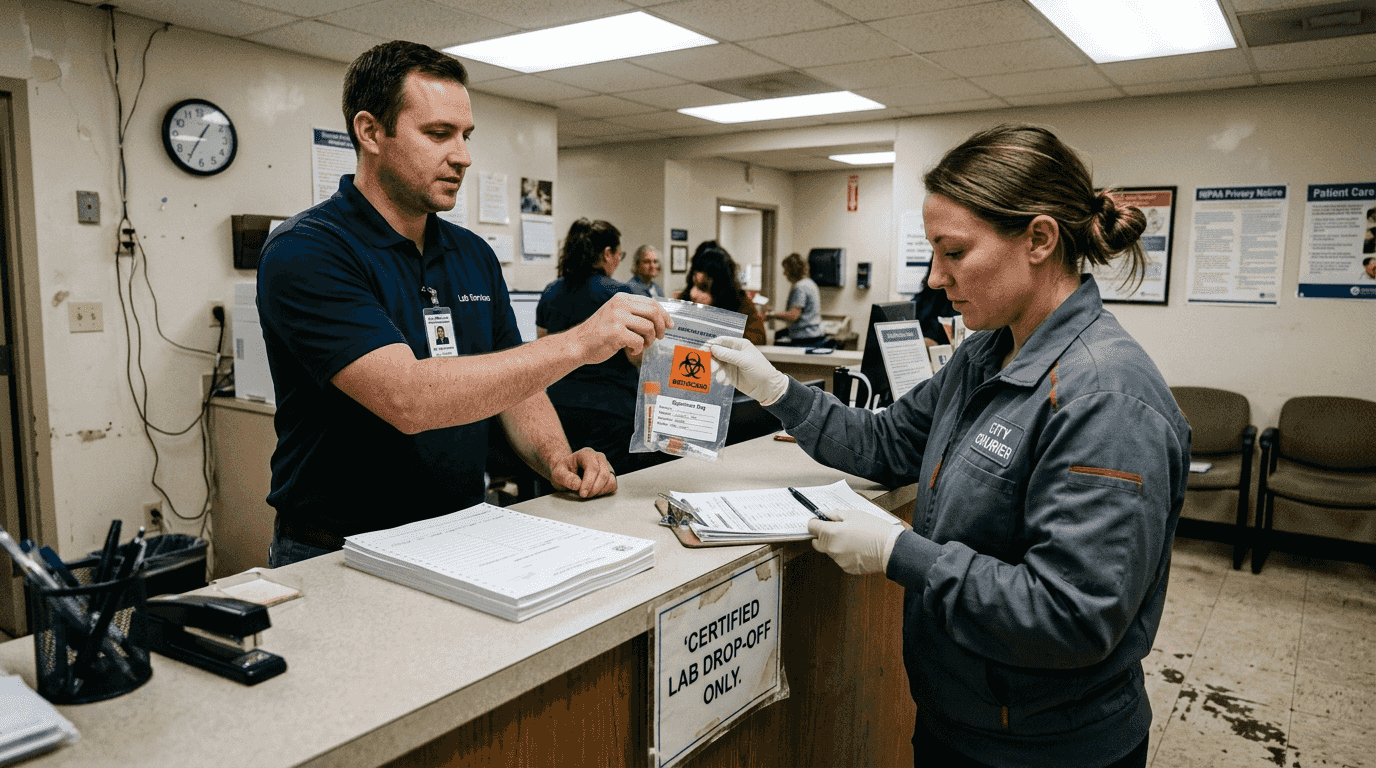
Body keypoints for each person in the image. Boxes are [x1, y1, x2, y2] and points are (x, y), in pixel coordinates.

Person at [709, 124, 1190, 768]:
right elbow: (885, 443)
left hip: (1047, 748)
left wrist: (900, 552)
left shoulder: (1105, 398)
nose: (935, 279)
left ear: (1040, 240)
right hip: (959, 717)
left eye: (954, 252)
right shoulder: (985, 352)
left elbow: (1072, 615)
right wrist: (776, 389)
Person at [256, 41, 670, 567]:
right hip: (336, 547)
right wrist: (579, 344)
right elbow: (408, 400)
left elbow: (515, 385)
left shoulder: (471, 254)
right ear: (370, 132)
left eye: (466, 135)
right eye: (437, 134)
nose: (463, 155)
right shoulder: (308, 249)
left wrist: (557, 458)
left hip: (459, 534)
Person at [536, 220, 671, 475]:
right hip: (611, 411)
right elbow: (638, 356)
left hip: (561, 409)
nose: (619, 260)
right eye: (619, 254)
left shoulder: (551, 291)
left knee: (568, 482)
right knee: (609, 484)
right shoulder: (620, 294)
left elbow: (543, 348)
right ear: (607, 253)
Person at [677, 241, 767, 344]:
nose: (693, 294)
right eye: (693, 285)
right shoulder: (685, 301)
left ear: (720, 290)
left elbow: (757, 340)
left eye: (703, 288)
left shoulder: (741, 304)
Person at [767, 252, 825, 346]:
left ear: (792, 269)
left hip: (804, 338)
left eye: (785, 269)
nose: (784, 273)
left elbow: (793, 316)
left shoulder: (800, 287)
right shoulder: (811, 283)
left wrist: (771, 315)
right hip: (815, 335)